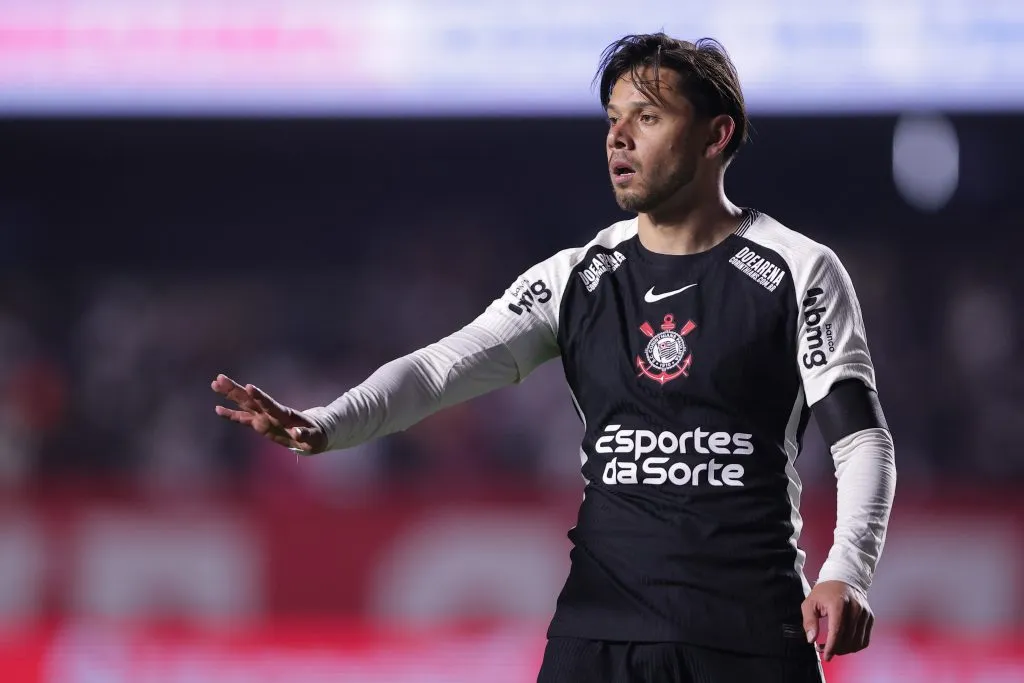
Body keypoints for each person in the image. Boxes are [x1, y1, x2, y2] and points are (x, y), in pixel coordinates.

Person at [212, 33, 896, 683]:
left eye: (648, 117)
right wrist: (331, 422)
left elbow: (861, 439)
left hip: (748, 634)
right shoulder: (578, 277)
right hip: (598, 634)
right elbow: (438, 368)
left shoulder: (797, 270)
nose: (618, 138)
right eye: (612, 119)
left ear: (717, 135)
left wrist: (849, 568)